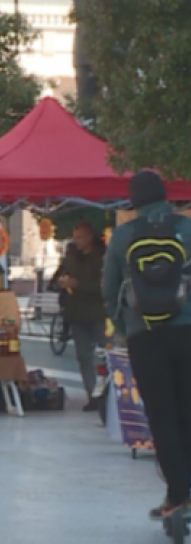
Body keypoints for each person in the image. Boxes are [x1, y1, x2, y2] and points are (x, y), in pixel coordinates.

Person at [103, 171, 191, 520]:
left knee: (161, 415)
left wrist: (124, 326)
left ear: (134, 200)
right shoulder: (187, 229)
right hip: (187, 331)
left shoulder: (124, 236)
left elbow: (109, 289)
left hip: (145, 335)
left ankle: (176, 494)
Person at [57, 222, 106, 411]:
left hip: (97, 312)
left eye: (80, 237)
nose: (77, 241)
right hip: (77, 313)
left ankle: (107, 394)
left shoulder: (100, 257)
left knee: (104, 354)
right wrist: (60, 283)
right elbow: (58, 275)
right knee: (84, 356)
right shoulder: (71, 257)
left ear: (90, 237)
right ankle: (92, 395)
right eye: (75, 237)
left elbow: (102, 286)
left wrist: (78, 284)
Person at [49, 242, 78, 342]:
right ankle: (66, 332)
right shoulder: (66, 263)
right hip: (67, 294)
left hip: (75, 294)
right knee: (67, 310)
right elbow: (57, 274)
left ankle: (67, 332)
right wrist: (52, 284)